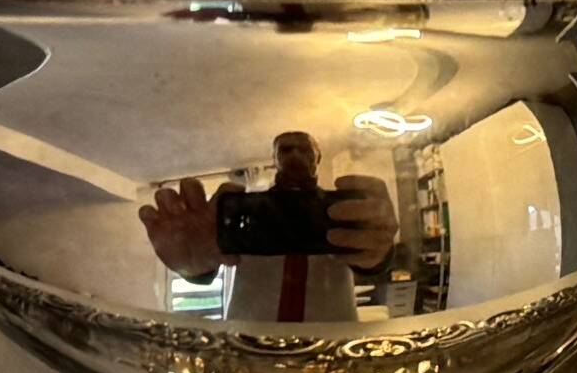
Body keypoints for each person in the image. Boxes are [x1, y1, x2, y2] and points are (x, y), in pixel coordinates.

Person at [138, 131, 397, 322]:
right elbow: (208, 257)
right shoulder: (245, 209)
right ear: (274, 159)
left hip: (331, 340)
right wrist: (194, 270)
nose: (295, 154)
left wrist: (381, 253)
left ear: (317, 157)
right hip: (250, 340)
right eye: (285, 150)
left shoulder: (344, 209)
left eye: (304, 149)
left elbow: (369, 263)